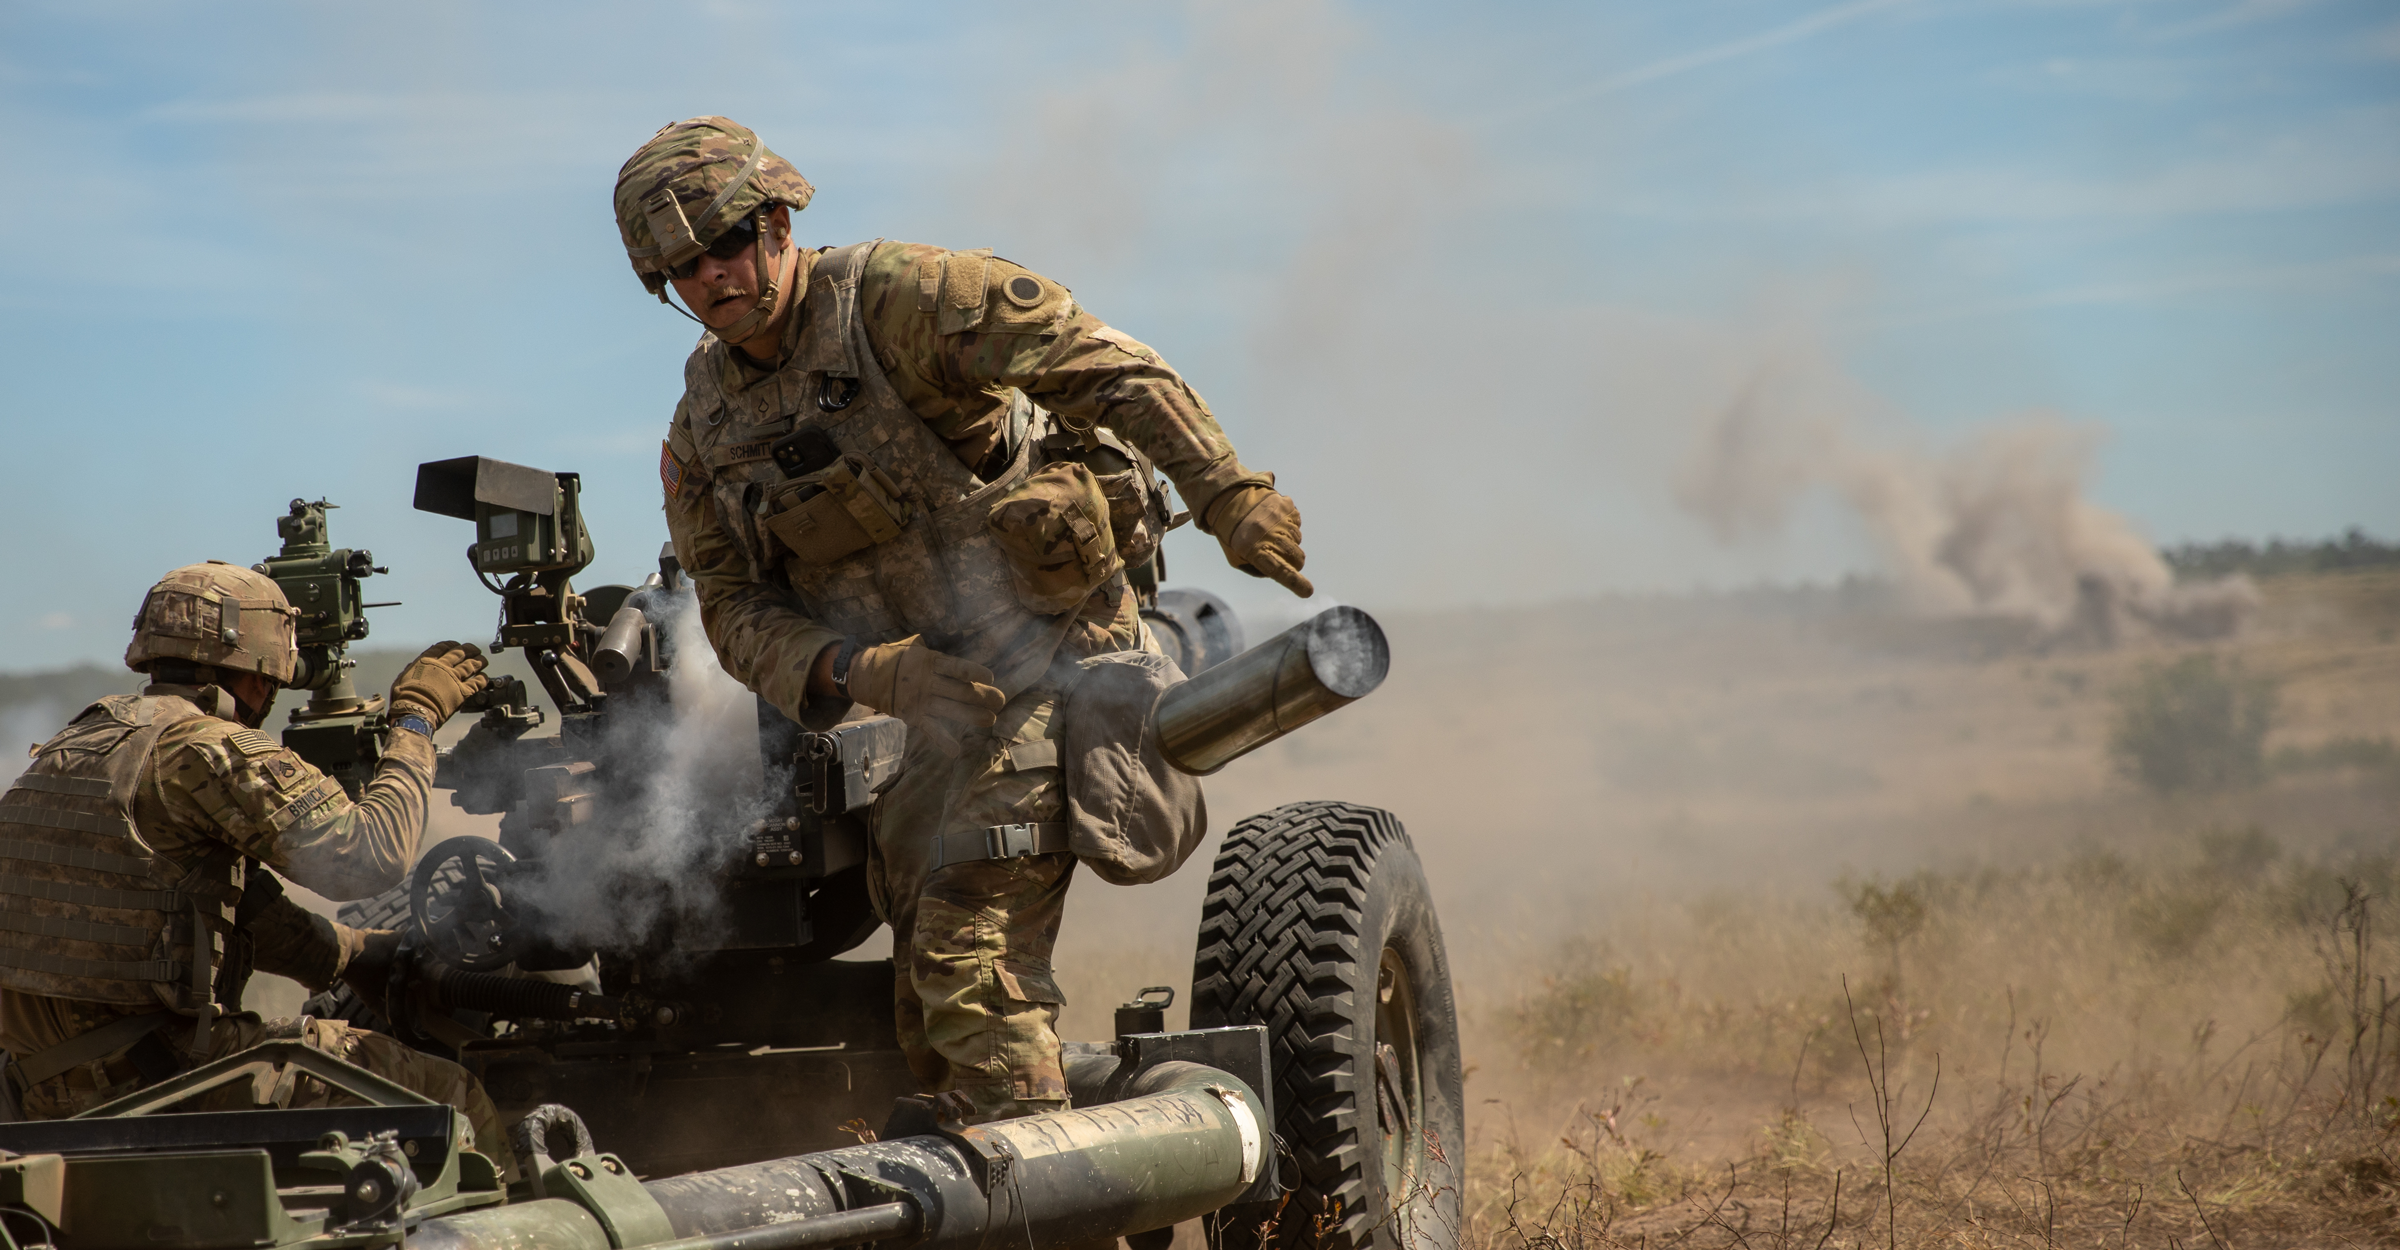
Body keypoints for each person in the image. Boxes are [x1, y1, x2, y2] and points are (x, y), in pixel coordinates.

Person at [618, 116, 1312, 1123]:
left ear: (776, 224)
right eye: (681, 267)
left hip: (1056, 654)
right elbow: (730, 606)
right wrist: (860, 671)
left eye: (725, 242)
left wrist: (1227, 493)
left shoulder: (905, 300)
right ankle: (1021, 1164)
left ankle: (1036, 1175)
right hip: (930, 715)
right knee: (925, 1019)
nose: (710, 275)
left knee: (968, 965)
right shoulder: (705, 428)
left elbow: (1103, 365)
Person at [0, 561, 511, 1172]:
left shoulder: (76, 744)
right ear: (257, 672)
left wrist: (347, 954)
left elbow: (215, 901)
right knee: (453, 1098)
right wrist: (416, 720)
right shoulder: (205, 745)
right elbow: (369, 858)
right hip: (158, 1080)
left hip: (36, 1087)